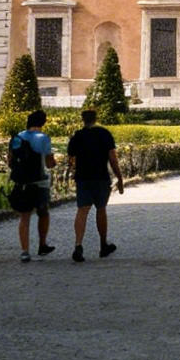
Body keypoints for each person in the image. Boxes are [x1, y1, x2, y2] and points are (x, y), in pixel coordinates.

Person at [66, 107, 126, 262]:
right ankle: (103, 245)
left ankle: (78, 245)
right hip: (100, 177)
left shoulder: (77, 136)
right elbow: (112, 158)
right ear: (95, 118)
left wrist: (73, 168)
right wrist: (119, 177)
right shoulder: (104, 133)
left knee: (82, 210)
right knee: (101, 209)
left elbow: (70, 158)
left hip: (83, 177)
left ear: (83, 119)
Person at [8, 109, 56, 262]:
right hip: (39, 181)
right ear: (43, 123)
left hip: (22, 182)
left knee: (24, 217)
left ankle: (25, 251)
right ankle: (42, 244)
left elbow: (10, 160)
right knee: (43, 212)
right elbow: (49, 163)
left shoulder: (17, 137)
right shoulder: (43, 138)